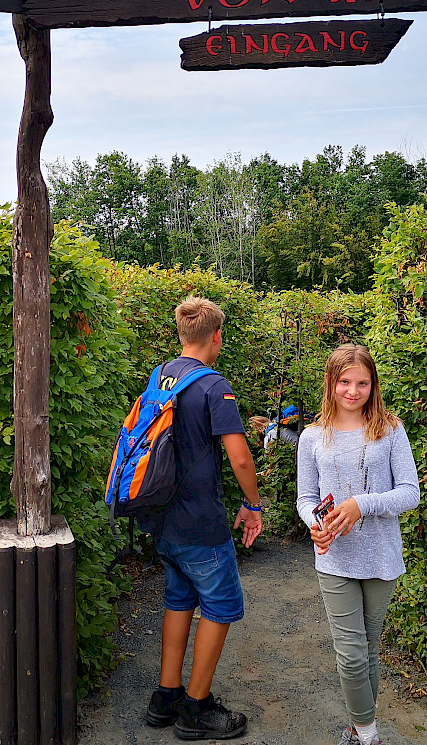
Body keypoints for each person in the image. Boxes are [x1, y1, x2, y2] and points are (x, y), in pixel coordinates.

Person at [138, 295, 264, 741]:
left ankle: (165, 697)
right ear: (217, 336)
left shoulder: (161, 376)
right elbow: (240, 458)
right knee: (222, 605)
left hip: (163, 518)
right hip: (200, 523)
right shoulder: (214, 386)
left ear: (180, 334)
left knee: (179, 599)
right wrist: (253, 505)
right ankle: (196, 708)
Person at [296, 345, 420, 745]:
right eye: (344, 382)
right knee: (350, 654)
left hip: (382, 557)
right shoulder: (312, 436)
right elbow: (305, 499)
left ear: (373, 384)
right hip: (334, 558)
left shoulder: (390, 430)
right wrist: (316, 524)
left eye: (362, 383)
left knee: (368, 651)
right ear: (330, 384)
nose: (353, 391)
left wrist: (360, 505)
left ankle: (355, 727)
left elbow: (410, 493)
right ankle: (370, 737)